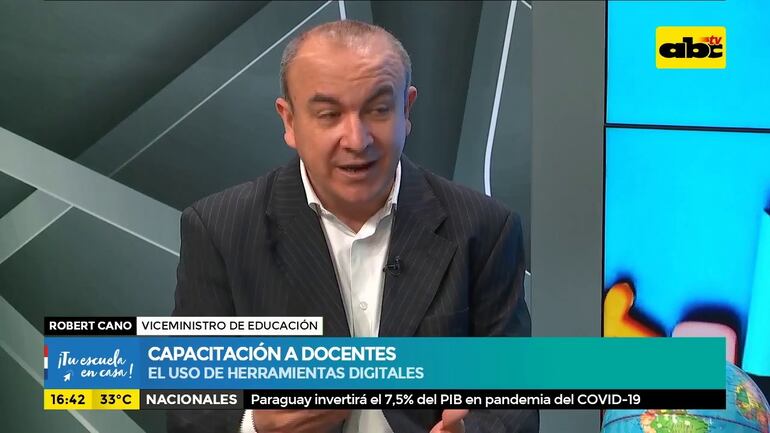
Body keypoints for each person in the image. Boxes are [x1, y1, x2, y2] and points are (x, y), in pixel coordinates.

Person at [169, 19, 537, 433]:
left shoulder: (485, 228)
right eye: (329, 114)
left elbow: (515, 401)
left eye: (378, 110)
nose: (357, 140)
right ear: (289, 121)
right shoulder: (220, 230)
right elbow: (189, 407)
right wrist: (255, 424)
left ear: (406, 110)